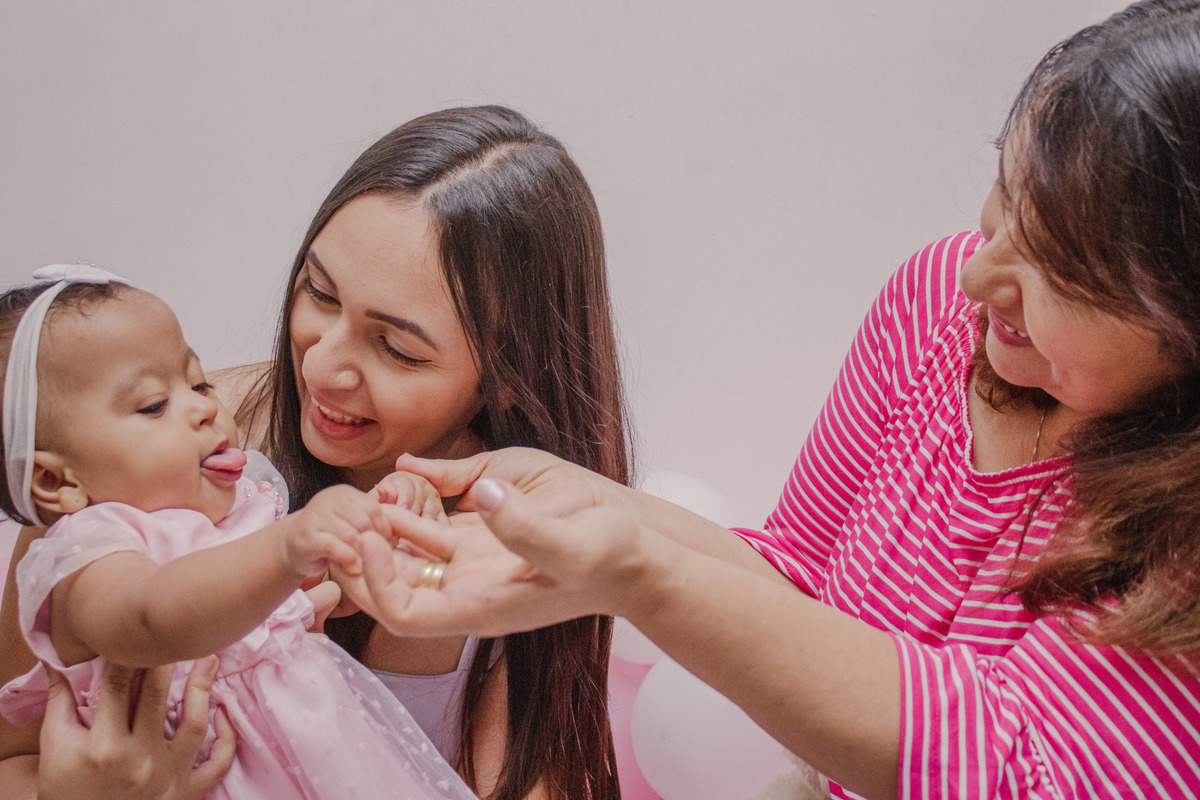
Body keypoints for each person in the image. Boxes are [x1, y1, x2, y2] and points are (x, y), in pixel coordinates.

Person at [343, 3, 1200, 799]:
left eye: (1059, 270)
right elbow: (802, 577)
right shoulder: (938, 300)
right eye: (1007, 196)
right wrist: (589, 503)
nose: (981, 272)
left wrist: (639, 574)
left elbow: (1010, 761)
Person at [0, 105, 628, 800]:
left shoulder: (521, 538)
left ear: (508, 374)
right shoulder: (136, 467)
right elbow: (10, 754)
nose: (324, 369)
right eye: (319, 293)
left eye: (397, 348)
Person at [0, 266, 477, 799]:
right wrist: (288, 545)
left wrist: (374, 535)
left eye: (198, 382)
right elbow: (152, 615)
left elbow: (281, 610)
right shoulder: (91, 550)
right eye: (154, 404)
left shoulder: (235, 513)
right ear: (56, 480)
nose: (206, 407)